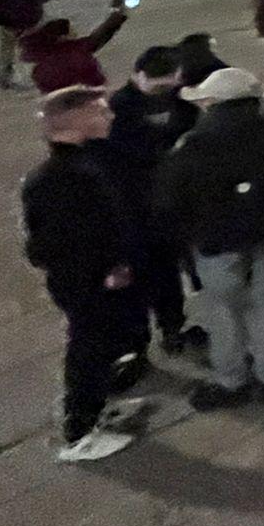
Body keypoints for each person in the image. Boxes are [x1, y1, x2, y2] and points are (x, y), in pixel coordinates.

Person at [157, 66, 264, 410]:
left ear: (213, 102)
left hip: (214, 244)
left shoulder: (193, 145)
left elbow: (168, 200)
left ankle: (232, 380)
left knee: (222, 310)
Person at [20, 88, 153, 462]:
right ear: (75, 123)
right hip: (87, 283)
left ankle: (96, 410)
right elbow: (52, 245)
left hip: (96, 278)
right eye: (100, 112)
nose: (109, 117)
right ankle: (79, 432)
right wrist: (104, 272)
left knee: (101, 345)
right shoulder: (59, 179)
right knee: (88, 349)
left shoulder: (78, 165)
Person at [102, 45, 204, 357]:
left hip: (173, 204)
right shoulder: (117, 109)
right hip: (135, 210)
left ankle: (172, 327)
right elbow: (113, 161)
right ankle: (135, 344)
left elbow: (192, 127)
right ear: (137, 75)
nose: (164, 93)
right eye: (157, 86)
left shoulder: (180, 99)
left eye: (170, 86)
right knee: (140, 279)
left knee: (170, 273)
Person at [22, 0, 132, 94]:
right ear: (63, 36)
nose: (75, 32)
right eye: (71, 30)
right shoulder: (78, 49)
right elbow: (104, 32)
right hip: (87, 98)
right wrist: (118, 13)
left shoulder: (39, 66)